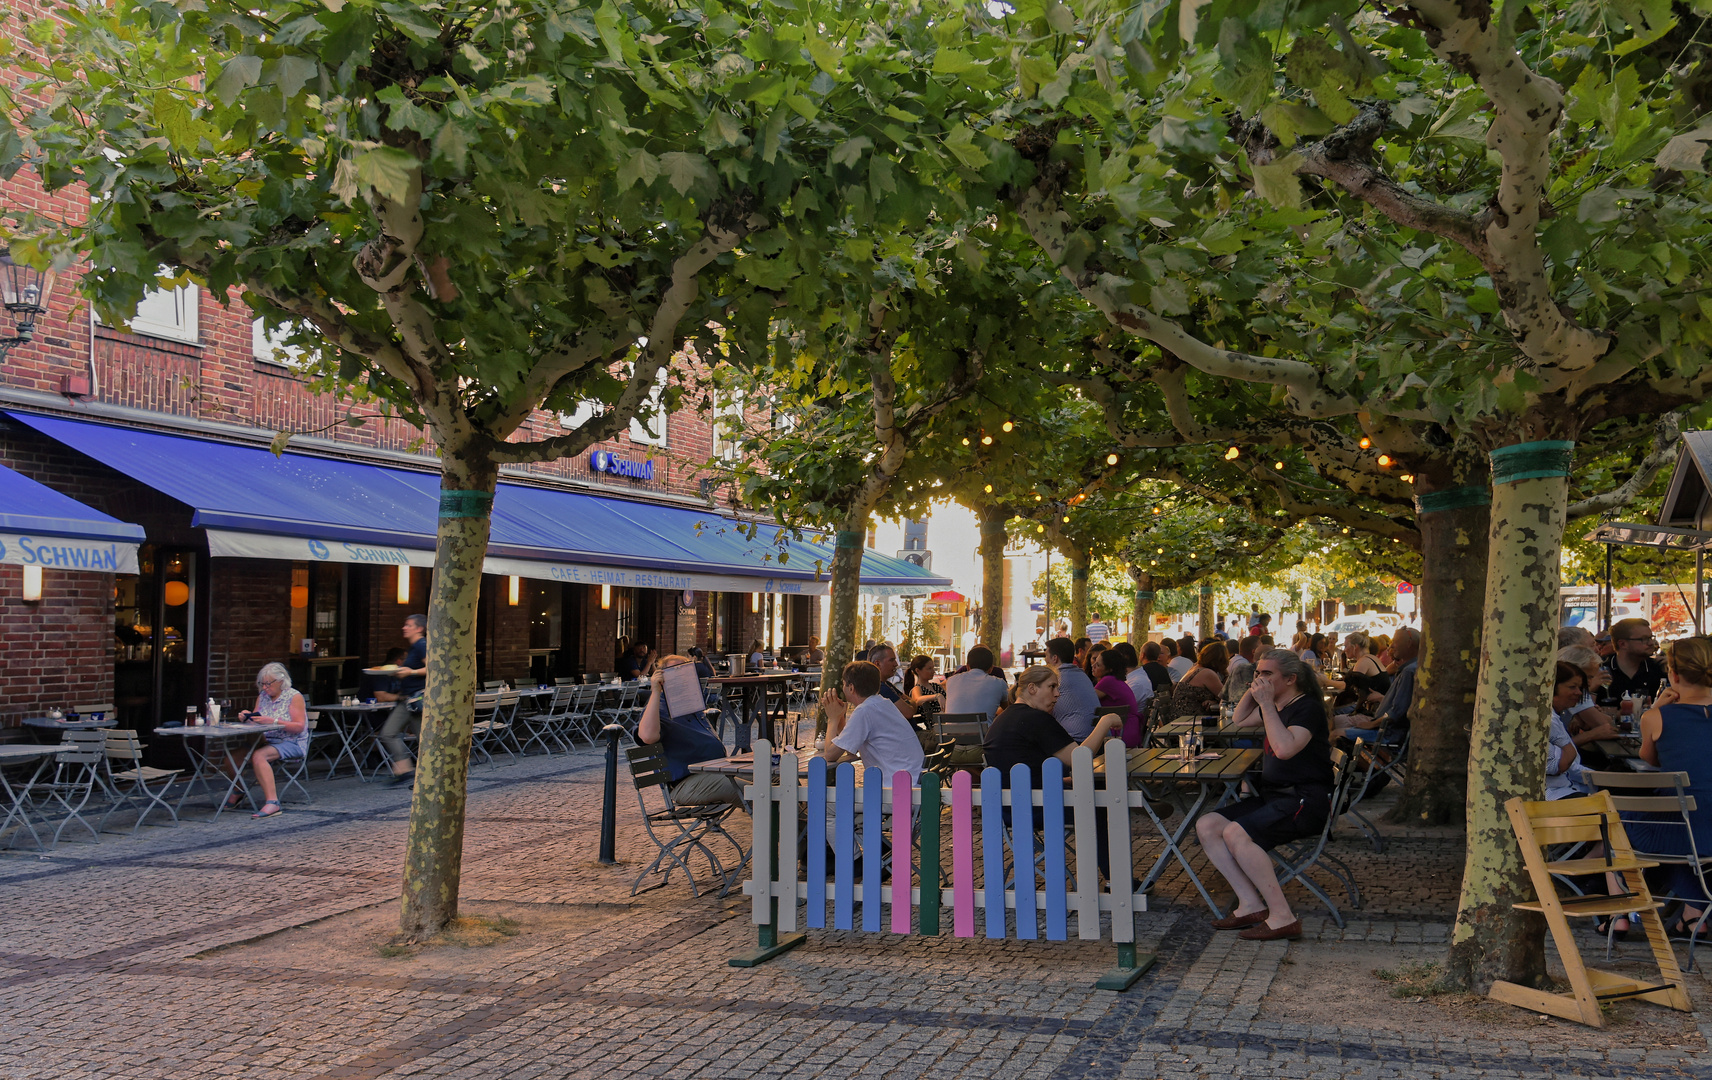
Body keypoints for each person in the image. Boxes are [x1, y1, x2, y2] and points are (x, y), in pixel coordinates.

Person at [1196, 650, 1335, 940]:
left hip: (1304, 801)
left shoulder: (1306, 707)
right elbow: (1239, 718)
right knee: (1208, 825)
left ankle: (1282, 916)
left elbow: (1285, 749)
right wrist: (1254, 690)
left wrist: (1268, 706)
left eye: (1267, 674)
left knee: (1236, 834)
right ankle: (1250, 904)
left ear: (1291, 679)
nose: (1260, 678)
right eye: (1258, 672)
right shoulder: (1277, 703)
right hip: (1275, 797)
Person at [1608, 636, 1712, 939]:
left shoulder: (1657, 716)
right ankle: (1693, 917)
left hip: (1674, 821)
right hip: (1702, 825)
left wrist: (1656, 707)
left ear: (1674, 675)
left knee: (1619, 826)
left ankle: (1617, 915)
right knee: (1685, 839)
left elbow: (1650, 760)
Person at [982, 664, 1127, 881]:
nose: (1057, 694)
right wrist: (1104, 722)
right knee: (1103, 804)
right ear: (1032, 688)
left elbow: (1021, 765)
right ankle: (1115, 879)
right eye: (1051, 687)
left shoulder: (1002, 719)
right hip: (1038, 806)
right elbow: (1080, 759)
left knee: (1098, 793)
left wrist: (1062, 780)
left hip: (1009, 807)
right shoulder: (1036, 719)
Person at [637, 654, 744, 808]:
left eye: (687, 670)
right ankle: (771, 830)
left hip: (713, 772)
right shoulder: (660, 705)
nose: (683, 676)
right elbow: (647, 736)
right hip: (688, 783)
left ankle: (778, 828)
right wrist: (655, 691)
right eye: (676, 671)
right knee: (759, 790)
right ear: (662, 677)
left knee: (776, 781)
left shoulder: (690, 703)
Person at [818, 660, 925, 785]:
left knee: (829, 804)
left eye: (844, 684)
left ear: (851, 688)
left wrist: (832, 719)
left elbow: (830, 755)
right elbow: (850, 749)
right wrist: (840, 717)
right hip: (915, 784)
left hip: (900, 791)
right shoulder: (883, 703)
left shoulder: (865, 710)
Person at [229, 662, 309, 819]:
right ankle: (239, 790)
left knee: (259, 756)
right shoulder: (263, 697)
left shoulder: (294, 697)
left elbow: (299, 726)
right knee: (231, 758)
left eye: (268, 684)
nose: (265, 687)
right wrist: (247, 717)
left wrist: (272, 721)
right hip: (264, 740)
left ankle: (273, 802)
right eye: (262, 684)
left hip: (291, 742)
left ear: (281, 681)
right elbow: (256, 722)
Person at [1336, 626, 1420, 743]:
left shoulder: (1408, 671)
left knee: (1335, 732)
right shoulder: (1410, 668)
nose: (1391, 646)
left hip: (1387, 733)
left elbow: (1397, 711)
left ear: (1409, 643)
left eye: (1395, 642)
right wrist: (1382, 698)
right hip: (1384, 727)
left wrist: (1371, 724)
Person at [379, 614, 427, 785]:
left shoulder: (422, 645)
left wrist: (410, 672)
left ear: (419, 629)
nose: (404, 628)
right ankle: (405, 769)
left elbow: (433, 667)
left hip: (416, 700)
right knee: (389, 733)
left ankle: (421, 775)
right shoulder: (414, 647)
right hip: (407, 700)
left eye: (408, 625)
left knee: (424, 740)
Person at [1545, 662, 1590, 801]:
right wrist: (1604, 778)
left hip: (1566, 790)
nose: (1578, 692)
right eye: (1572, 687)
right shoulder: (1548, 720)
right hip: (1555, 795)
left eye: (1580, 688)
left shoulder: (1555, 716)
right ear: (1552, 686)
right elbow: (1562, 766)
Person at [1044, 636, 1101, 739]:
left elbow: (1042, 710)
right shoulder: (1082, 675)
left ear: (1055, 658)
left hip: (1077, 742)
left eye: (1046, 656)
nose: (1045, 660)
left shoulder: (1056, 679)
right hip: (1098, 738)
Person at [1604, 617, 1667, 706]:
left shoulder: (1658, 669)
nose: (1651, 643)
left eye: (1650, 638)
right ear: (1622, 644)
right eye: (1643, 639)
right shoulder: (1602, 671)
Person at [1091, 647, 1142, 745]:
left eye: (1097, 665)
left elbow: (1087, 699)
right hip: (1131, 730)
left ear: (1109, 669)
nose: (1093, 666)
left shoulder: (1107, 681)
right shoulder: (1116, 680)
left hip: (1120, 733)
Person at [944, 645, 1008, 722]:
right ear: (991, 669)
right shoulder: (999, 683)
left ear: (967, 667)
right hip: (984, 733)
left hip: (950, 732)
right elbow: (1009, 709)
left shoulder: (951, 681)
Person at [1169, 641, 1227, 720]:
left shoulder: (1195, 668)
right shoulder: (1207, 673)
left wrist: (1214, 701)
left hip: (1180, 718)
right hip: (1189, 721)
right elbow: (1227, 698)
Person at [1331, 633, 1388, 711]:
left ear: (1355, 647)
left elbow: (1346, 686)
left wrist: (1325, 681)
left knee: (1330, 713)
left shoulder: (1363, 661)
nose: (1344, 650)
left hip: (1374, 710)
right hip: (1378, 707)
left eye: (1346, 646)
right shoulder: (1371, 658)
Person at [865, 644, 917, 721]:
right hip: (905, 732)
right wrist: (908, 702)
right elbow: (908, 713)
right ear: (878, 664)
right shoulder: (880, 688)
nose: (896, 664)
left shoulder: (887, 684)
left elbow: (913, 703)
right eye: (891, 660)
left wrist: (909, 703)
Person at [1113, 642, 1154, 713]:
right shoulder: (1137, 676)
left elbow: (1119, 708)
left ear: (1124, 657)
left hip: (1130, 720)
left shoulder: (1136, 683)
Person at [903, 654, 944, 721]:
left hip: (947, 721)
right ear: (918, 671)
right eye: (929, 668)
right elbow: (917, 700)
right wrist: (937, 696)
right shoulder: (917, 688)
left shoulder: (936, 686)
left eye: (933, 668)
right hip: (936, 725)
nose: (933, 671)